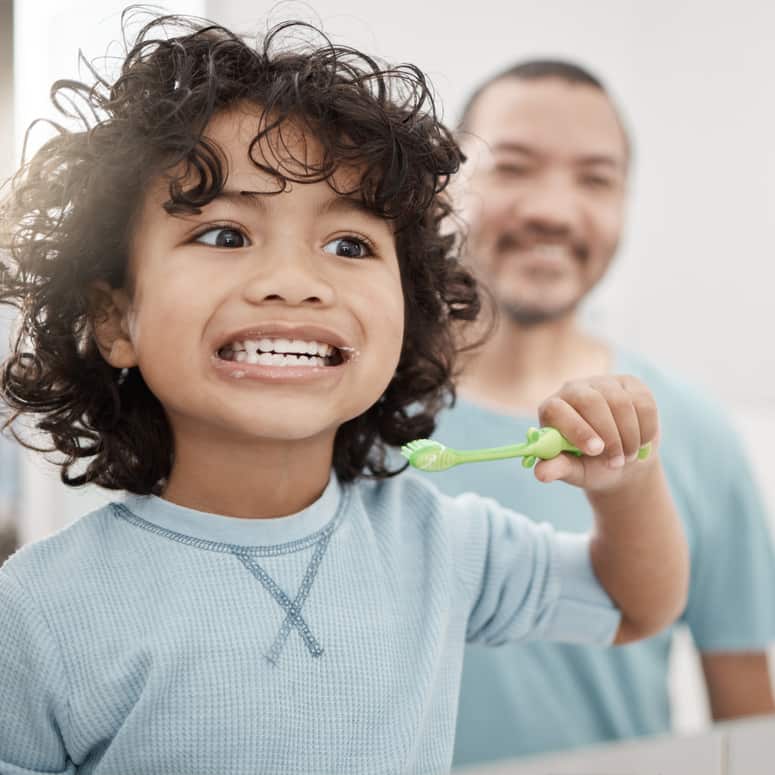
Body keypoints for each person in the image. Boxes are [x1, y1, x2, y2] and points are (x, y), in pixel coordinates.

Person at [0, 16, 688, 774]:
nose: (295, 283)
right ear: (112, 318)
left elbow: (633, 605)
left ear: (407, 310)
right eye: (226, 234)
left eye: (349, 245)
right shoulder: (38, 608)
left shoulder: (440, 545)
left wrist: (628, 485)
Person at [428, 60, 775, 767]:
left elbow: (747, 719)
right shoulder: (350, 412)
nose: (553, 210)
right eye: (514, 166)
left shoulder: (695, 434)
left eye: (594, 178)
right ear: (446, 186)